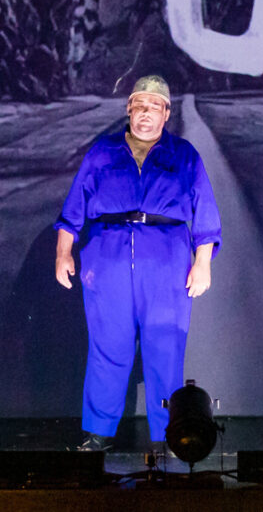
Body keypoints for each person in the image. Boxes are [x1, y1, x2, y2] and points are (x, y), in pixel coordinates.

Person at [53, 75, 221, 453]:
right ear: (128, 110)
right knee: (108, 345)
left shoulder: (184, 155)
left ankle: (168, 434)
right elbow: (73, 209)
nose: (146, 113)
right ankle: (98, 431)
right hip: (107, 257)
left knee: (165, 348)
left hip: (166, 260)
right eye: (139, 106)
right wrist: (63, 252)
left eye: (154, 107)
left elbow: (206, 214)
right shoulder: (102, 153)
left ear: (166, 114)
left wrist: (203, 263)